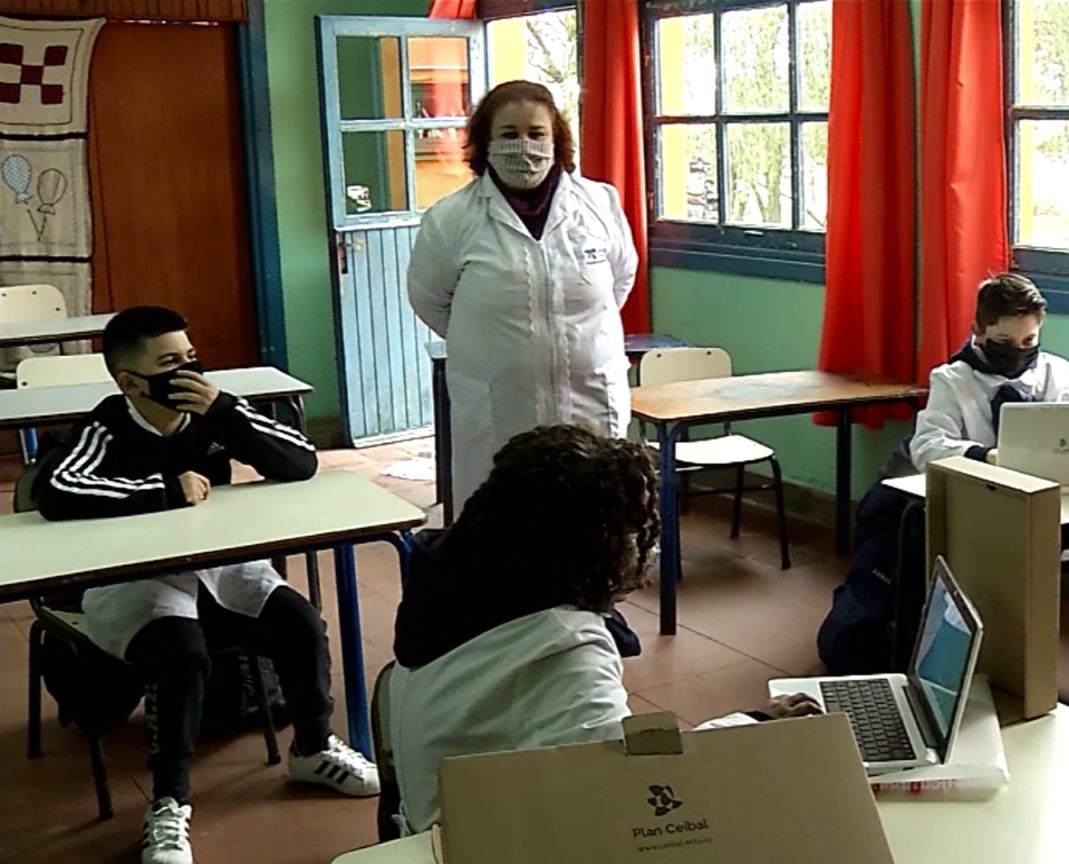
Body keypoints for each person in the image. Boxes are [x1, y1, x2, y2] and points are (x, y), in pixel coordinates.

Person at [34, 307, 379, 864]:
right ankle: (170, 801)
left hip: (218, 565)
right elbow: (56, 489)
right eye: (170, 363)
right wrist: (162, 490)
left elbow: (300, 461)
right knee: (182, 653)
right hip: (136, 576)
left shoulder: (212, 411)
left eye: (191, 358)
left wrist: (226, 412)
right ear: (131, 383)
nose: (189, 372)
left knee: (298, 621)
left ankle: (313, 748)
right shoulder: (107, 426)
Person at [388, 425, 819, 835]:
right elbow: (634, 792)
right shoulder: (560, 646)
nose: (638, 549)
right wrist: (749, 726)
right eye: (631, 533)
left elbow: (604, 749)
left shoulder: (452, 587)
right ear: (591, 543)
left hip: (445, 825)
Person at [408, 80, 639, 517]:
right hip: (499, 412)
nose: (524, 147)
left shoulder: (599, 204)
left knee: (594, 526)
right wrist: (504, 346)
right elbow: (430, 300)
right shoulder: (451, 219)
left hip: (589, 403)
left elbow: (619, 282)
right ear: (485, 142)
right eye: (509, 134)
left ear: (557, 139)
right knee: (504, 532)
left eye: (536, 134)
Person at [909, 273, 1069, 703]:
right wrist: (987, 456)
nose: (1019, 351)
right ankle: (991, 656)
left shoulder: (1053, 372)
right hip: (986, 504)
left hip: (1050, 502)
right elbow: (927, 446)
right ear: (978, 331)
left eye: (1030, 341)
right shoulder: (952, 380)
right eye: (1006, 342)